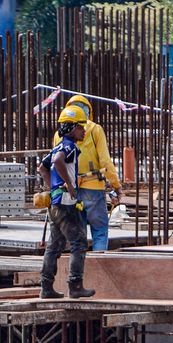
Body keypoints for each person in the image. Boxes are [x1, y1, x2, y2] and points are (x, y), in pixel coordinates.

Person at [36, 105, 96, 300]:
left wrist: (53, 188)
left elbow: (42, 168)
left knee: (54, 245)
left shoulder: (58, 146)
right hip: (66, 203)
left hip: (55, 203)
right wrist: (69, 184)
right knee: (78, 242)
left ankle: (46, 287)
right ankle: (75, 285)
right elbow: (58, 162)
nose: (84, 131)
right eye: (80, 127)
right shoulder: (69, 147)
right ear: (70, 128)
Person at [52, 94, 122, 251]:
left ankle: (79, 270)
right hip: (93, 189)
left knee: (78, 233)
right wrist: (116, 185)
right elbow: (105, 162)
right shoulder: (95, 129)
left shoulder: (59, 134)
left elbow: (54, 163)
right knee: (99, 230)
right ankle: (98, 263)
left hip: (71, 190)